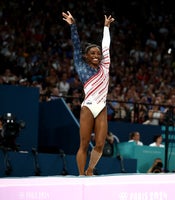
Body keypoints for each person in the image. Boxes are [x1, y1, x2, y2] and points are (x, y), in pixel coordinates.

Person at [62, 11, 114, 176]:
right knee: (84, 144)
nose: (96, 55)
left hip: (102, 107)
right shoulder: (81, 66)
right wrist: (73, 26)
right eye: (92, 53)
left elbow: (106, 45)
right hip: (88, 107)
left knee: (100, 144)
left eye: (98, 54)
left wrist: (106, 27)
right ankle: (80, 175)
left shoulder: (105, 66)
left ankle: (90, 170)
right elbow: (76, 45)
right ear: (86, 56)